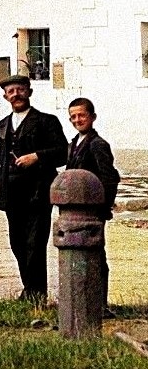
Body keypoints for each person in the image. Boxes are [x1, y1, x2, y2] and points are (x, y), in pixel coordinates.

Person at [0, 74, 68, 302]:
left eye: (20, 90)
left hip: (38, 194)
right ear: (5, 97)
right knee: (17, 243)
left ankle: (36, 293)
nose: (16, 95)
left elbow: (62, 152)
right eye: (11, 91)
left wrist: (37, 157)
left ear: (29, 92)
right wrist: (5, 177)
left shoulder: (46, 121)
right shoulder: (0, 126)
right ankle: (29, 287)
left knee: (35, 244)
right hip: (11, 197)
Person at [66, 96, 120, 314]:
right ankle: (85, 302)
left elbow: (109, 178)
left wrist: (104, 207)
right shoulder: (74, 143)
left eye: (82, 115)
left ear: (92, 117)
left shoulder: (98, 145)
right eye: (73, 117)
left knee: (96, 255)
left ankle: (101, 304)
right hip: (78, 211)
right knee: (80, 255)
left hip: (93, 210)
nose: (78, 120)